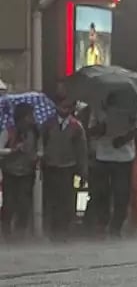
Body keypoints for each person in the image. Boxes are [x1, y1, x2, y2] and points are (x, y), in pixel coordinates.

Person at [88, 92, 137, 238]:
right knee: (102, 192)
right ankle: (102, 222)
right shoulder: (98, 108)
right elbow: (91, 130)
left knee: (121, 193)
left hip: (124, 156)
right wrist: (101, 128)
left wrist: (124, 138)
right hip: (103, 155)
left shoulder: (132, 108)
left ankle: (116, 226)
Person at [41, 94, 89, 241]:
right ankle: (53, 230)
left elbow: (82, 151)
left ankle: (65, 231)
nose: (65, 109)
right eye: (63, 106)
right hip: (51, 167)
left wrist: (83, 173)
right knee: (52, 200)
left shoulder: (76, 127)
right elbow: (43, 144)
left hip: (69, 168)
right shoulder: (48, 124)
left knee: (68, 200)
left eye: (69, 107)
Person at [0, 103, 39, 240]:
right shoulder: (9, 131)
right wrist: (13, 150)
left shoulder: (34, 131)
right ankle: (6, 231)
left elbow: (35, 149)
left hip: (27, 172)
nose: (32, 118)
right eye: (29, 115)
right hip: (10, 172)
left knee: (24, 204)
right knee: (9, 203)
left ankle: (20, 232)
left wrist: (36, 156)